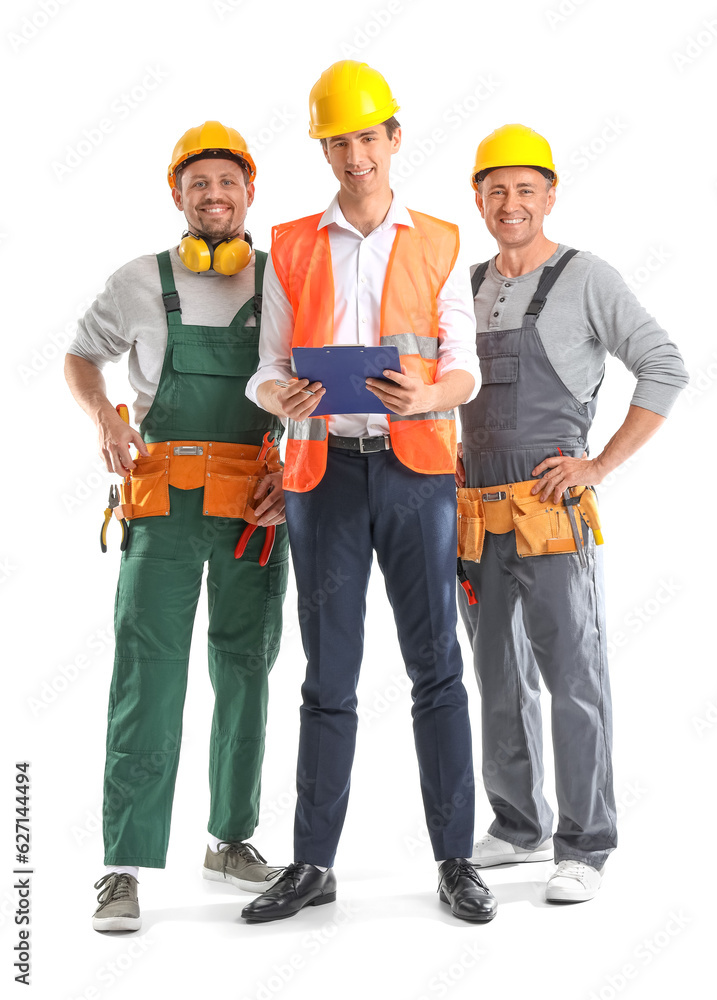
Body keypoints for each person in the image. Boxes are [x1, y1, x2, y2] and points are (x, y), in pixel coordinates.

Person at [240, 60, 494, 924]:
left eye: (366, 138)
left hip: (417, 468)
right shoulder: (291, 244)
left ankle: (456, 859)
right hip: (325, 476)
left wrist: (431, 394)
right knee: (329, 675)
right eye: (336, 142)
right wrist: (281, 397)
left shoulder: (441, 241)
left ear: (394, 135)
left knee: (437, 670)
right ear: (324, 148)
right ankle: (314, 865)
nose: (354, 157)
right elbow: (266, 368)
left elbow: (465, 366)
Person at [64, 121, 290, 932]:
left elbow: (313, 393)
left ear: (249, 192)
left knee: (246, 670)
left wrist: (294, 482)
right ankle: (121, 867)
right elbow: (81, 355)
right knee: (147, 676)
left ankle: (231, 839)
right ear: (178, 196)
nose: (215, 196)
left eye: (228, 182)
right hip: (161, 501)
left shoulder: (282, 281)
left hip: (253, 508)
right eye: (200, 185)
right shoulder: (138, 279)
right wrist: (103, 416)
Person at [457, 124, 688, 902]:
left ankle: (585, 844)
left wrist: (598, 465)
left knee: (572, 675)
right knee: (496, 674)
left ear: (550, 196)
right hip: (475, 512)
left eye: (525, 189)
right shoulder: (467, 284)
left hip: (551, 510)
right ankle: (519, 825)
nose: (510, 203)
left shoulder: (587, 277)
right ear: (478, 200)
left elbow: (664, 366)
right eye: (496, 190)